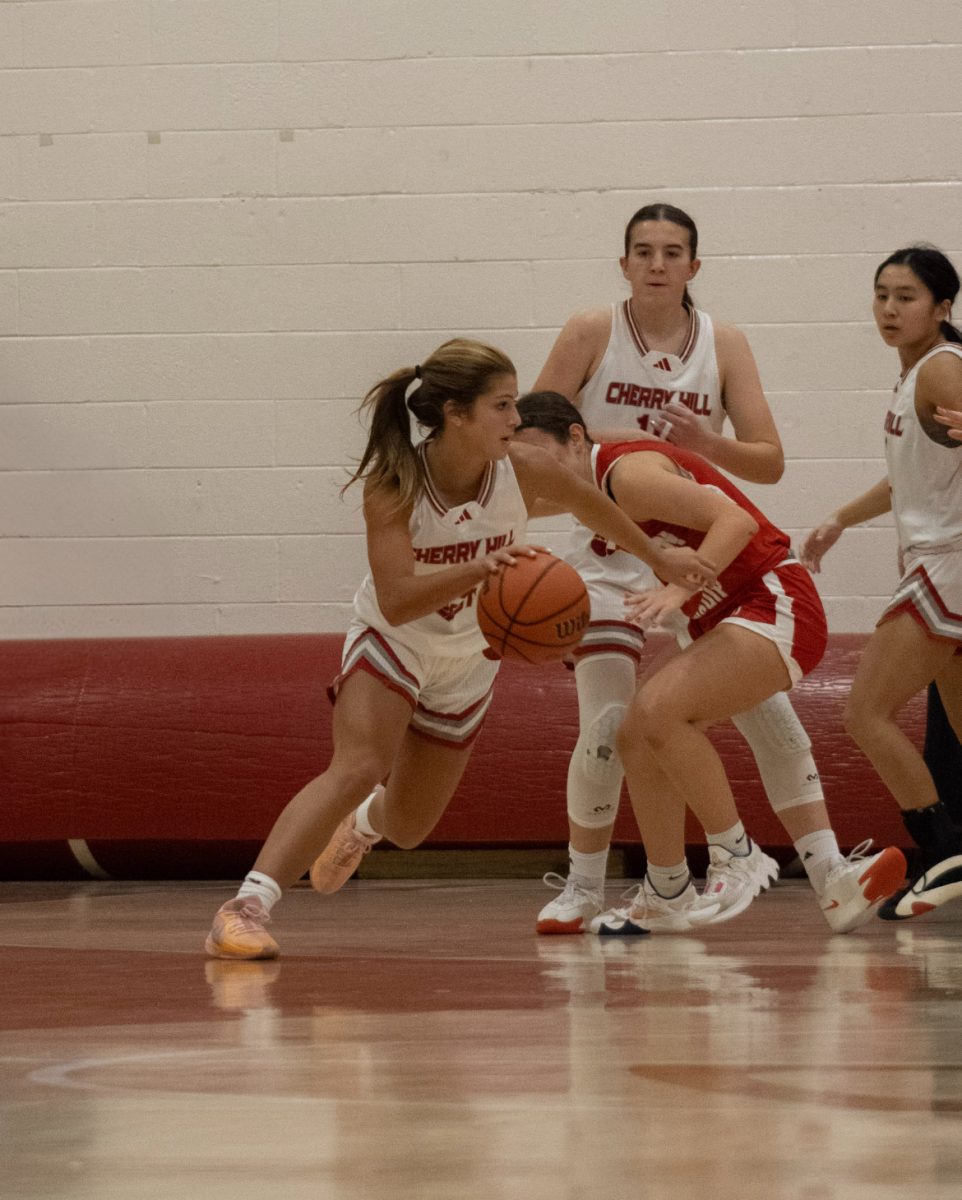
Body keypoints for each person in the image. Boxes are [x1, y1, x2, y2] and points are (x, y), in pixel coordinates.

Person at [205, 338, 713, 959]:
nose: (516, 419)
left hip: (469, 657)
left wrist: (662, 558)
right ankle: (246, 906)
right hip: (395, 641)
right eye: (502, 406)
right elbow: (396, 599)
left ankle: (363, 825)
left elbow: (599, 509)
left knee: (411, 828)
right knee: (359, 764)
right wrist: (481, 570)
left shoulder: (525, 468)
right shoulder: (394, 483)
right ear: (456, 414)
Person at [531, 202, 897, 935]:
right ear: (624, 262)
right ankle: (593, 885)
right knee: (616, 725)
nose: (658, 264)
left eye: (673, 252)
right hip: (614, 557)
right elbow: (538, 431)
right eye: (643, 251)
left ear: (694, 266)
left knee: (760, 716)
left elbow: (766, 465)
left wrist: (702, 447)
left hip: (712, 566)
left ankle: (817, 872)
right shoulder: (590, 332)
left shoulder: (722, 344)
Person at [801, 245, 962, 920]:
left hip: (947, 563)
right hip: (937, 557)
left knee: (863, 713)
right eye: (882, 295)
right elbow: (910, 476)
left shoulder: (943, 369)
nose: (890, 309)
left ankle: (945, 849)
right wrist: (843, 516)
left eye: (907, 297)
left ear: (943, 308)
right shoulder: (915, 374)